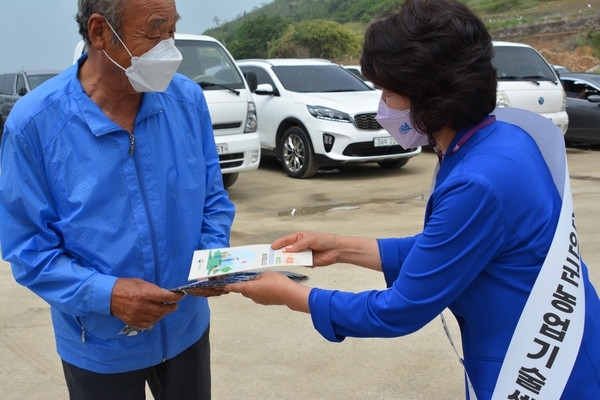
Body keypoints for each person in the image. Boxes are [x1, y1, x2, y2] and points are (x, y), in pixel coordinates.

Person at [224, 0, 600, 399]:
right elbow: (449, 248)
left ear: (431, 97)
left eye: (389, 92)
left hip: (536, 367)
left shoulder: (478, 181)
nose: (382, 105)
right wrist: (343, 249)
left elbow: (400, 310)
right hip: (565, 336)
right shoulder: (502, 139)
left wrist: (292, 295)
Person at [0, 0, 234, 399]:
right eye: (155, 29)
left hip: (186, 329)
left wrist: (211, 256)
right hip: (98, 345)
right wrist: (106, 295)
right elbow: (28, 249)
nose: (170, 47)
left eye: (172, 28)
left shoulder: (187, 101)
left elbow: (213, 197)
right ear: (99, 32)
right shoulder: (34, 125)